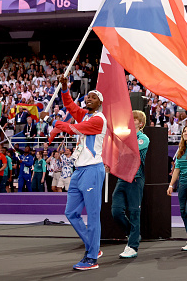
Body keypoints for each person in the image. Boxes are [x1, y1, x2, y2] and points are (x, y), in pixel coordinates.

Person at [50, 76, 108, 270]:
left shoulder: (99, 119)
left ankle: (92, 258)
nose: (89, 98)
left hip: (92, 169)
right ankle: (94, 246)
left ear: (100, 103)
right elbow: (69, 104)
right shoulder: (84, 115)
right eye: (88, 96)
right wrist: (65, 87)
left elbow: (72, 128)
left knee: (92, 215)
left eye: (93, 97)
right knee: (71, 213)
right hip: (79, 170)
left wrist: (55, 123)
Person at [110, 110, 150, 259]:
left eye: (134, 119)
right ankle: (133, 234)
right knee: (116, 211)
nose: (130, 121)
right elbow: (117, 154)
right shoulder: (124, 138)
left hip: (135, 178)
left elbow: (130, 152)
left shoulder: (143, 139)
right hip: (122, 179)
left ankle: (132, 246)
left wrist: (117, 142)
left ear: (140, 123)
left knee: (134, 213)